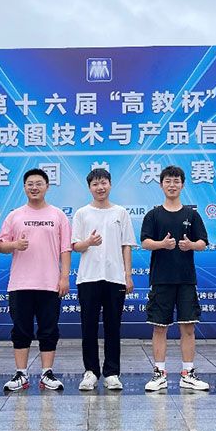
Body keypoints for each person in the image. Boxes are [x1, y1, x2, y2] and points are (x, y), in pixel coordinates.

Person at [0, 168, 71, 391]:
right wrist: (15, 245)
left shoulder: (58, 215)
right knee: (21, 330)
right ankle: (21, 373)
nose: (34, 187)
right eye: (30, 184)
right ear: (24, 187)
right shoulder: (15, 215)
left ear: (47, 186)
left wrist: (64, 277)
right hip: (20, 283)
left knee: (49, 329)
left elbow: (65, 249)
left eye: (39, 183)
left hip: (49, 283)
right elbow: (1, 246)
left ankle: (47, 373)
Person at [140, 165, 210, 391]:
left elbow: (203, 243)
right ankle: (159, 373)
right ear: (161, 185)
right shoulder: (153, 215)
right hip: (161, 279)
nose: (172, 185)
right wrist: (162, 244)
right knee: (159, 327)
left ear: (182, 185)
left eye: (176, 181)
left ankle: (188, 373)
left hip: (186, 279)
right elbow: (145, 242)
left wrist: (191, 245)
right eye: (168, 181)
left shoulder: (192, 214)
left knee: (188, 326)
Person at [71, 167, 136, 391]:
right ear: (89, 188)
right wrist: (88, 242)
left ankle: (112, 373)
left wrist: (128, 275)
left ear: (110, 184)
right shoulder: (82, 213)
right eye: (95, 184)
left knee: (113, 327)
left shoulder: (121, 212)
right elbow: (75, 246)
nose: (100, 187)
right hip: (88, 278)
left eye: (103, 183)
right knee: (88, 327)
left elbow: (127, 245)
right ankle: (90, 372)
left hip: (115, 278)